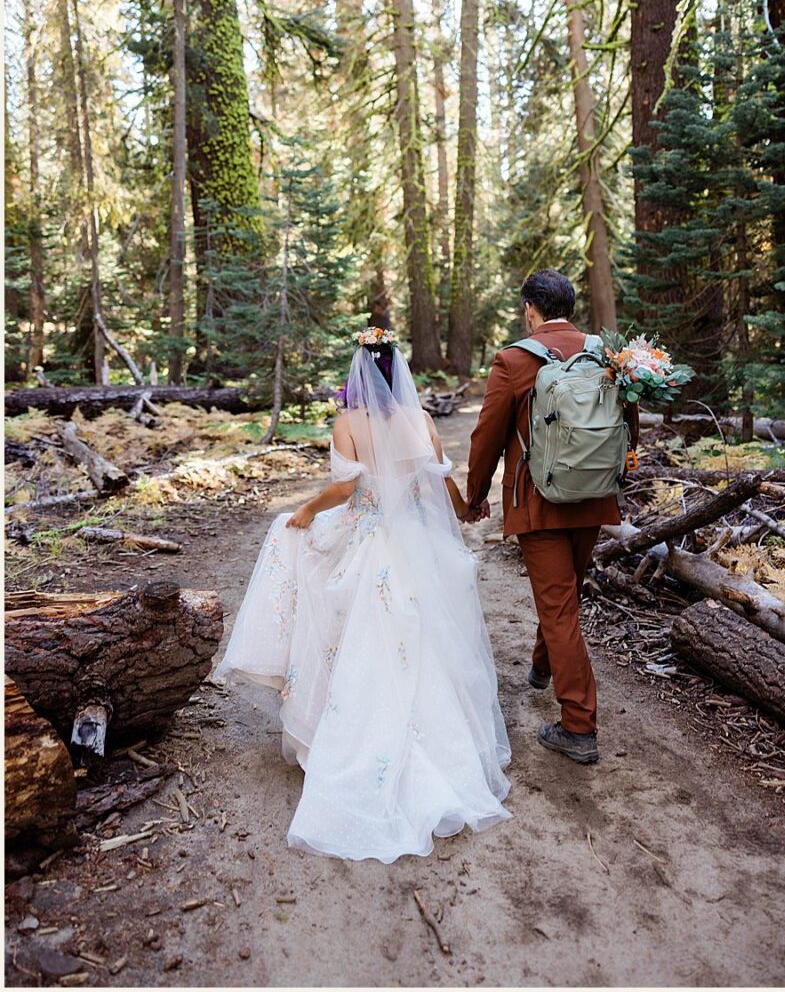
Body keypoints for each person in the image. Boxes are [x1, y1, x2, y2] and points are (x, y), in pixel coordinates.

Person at [215, 329, 511, 861]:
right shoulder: (419, 420)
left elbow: (347, 489)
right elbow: (440, 480)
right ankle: (438, 744)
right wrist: (466, 510)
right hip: (414, 540)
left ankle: (339, 729)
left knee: (319, 582)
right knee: (418, 639)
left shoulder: (348, 422)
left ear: (359, 371)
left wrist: (307, 509)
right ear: (397, 369)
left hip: (371, 536)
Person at [464, 270, 636, 765]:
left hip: (538, 503)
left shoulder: (514, 360)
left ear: (529, 309)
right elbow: (628, 419)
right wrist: (617, 474)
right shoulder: (606, 354)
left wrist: (476, 496)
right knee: (565, 597)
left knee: (559, 607)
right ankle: (543, 666)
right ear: (570, 306)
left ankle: (578, 727)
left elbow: (487, 436)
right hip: (593, 497)